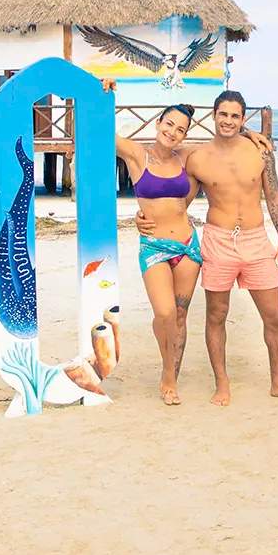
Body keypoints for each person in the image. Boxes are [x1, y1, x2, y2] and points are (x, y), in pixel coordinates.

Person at [140, 89, 278, 406]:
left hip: (257, 241)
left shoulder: (262, 153)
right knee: (216, 315)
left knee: (275, 315)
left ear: (243, 119)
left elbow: (274, 195)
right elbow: (177, 203)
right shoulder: (198, 158)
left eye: (235, 116)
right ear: (213, 116)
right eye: (223, 114)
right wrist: (143, 217)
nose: (228, 121)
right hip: (218, 240)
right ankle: (222, 383)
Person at [106, 92, 202, 406]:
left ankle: (169, 377)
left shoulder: (185, 157)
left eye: (180, 129)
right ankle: (167, 367)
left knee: (179, 317)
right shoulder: (138, 155)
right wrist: (104, 92)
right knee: (164, 312)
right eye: (169, 124)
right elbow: (102, 126)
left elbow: (224, 149)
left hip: (188, 246)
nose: (173, 132)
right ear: (157, 122)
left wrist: (253, 136)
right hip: (155, 247)